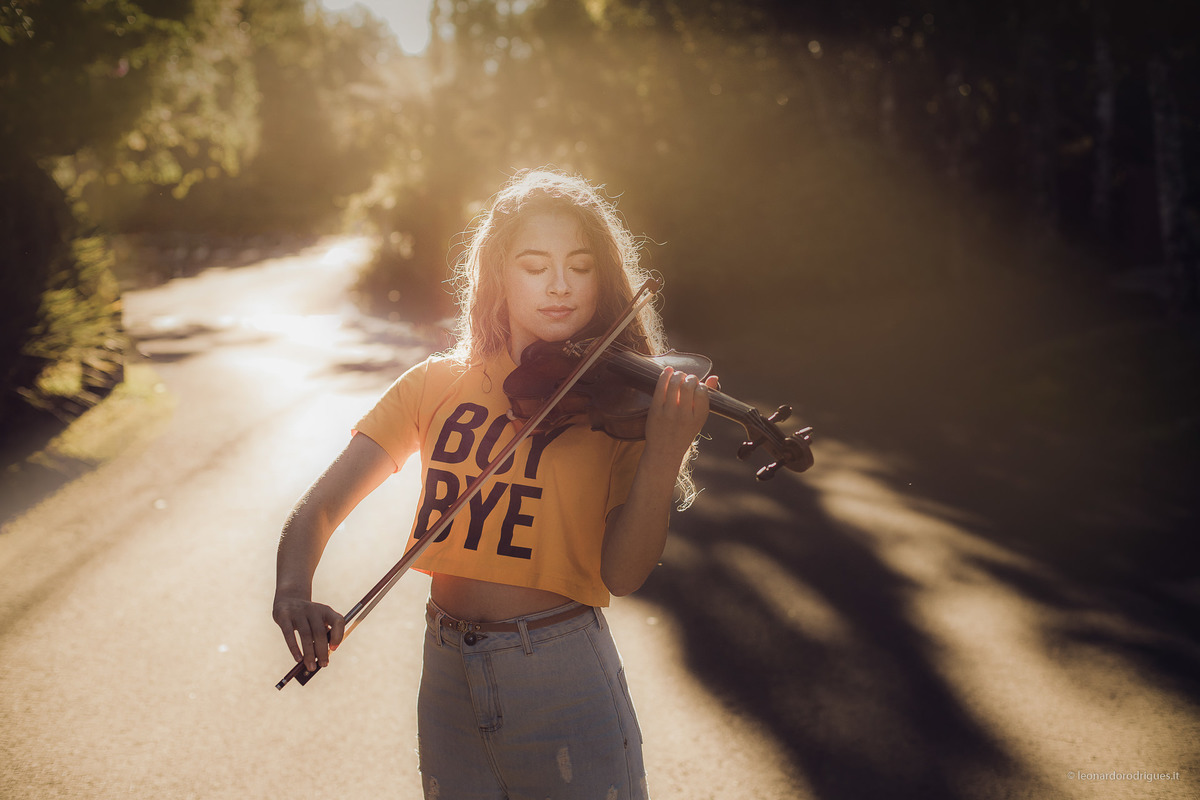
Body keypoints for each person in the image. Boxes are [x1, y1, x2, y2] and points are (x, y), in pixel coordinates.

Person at [272, 168, 717, 800]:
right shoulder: (435, 383)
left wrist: (665, 452)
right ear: (498, 275)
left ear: (604, 278)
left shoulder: (619, 404)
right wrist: (294, 586)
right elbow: (319, 507)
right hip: (447, 670)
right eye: (534, 265)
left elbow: (623, 574)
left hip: (563, 674)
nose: (559, 285)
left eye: (580, 267)